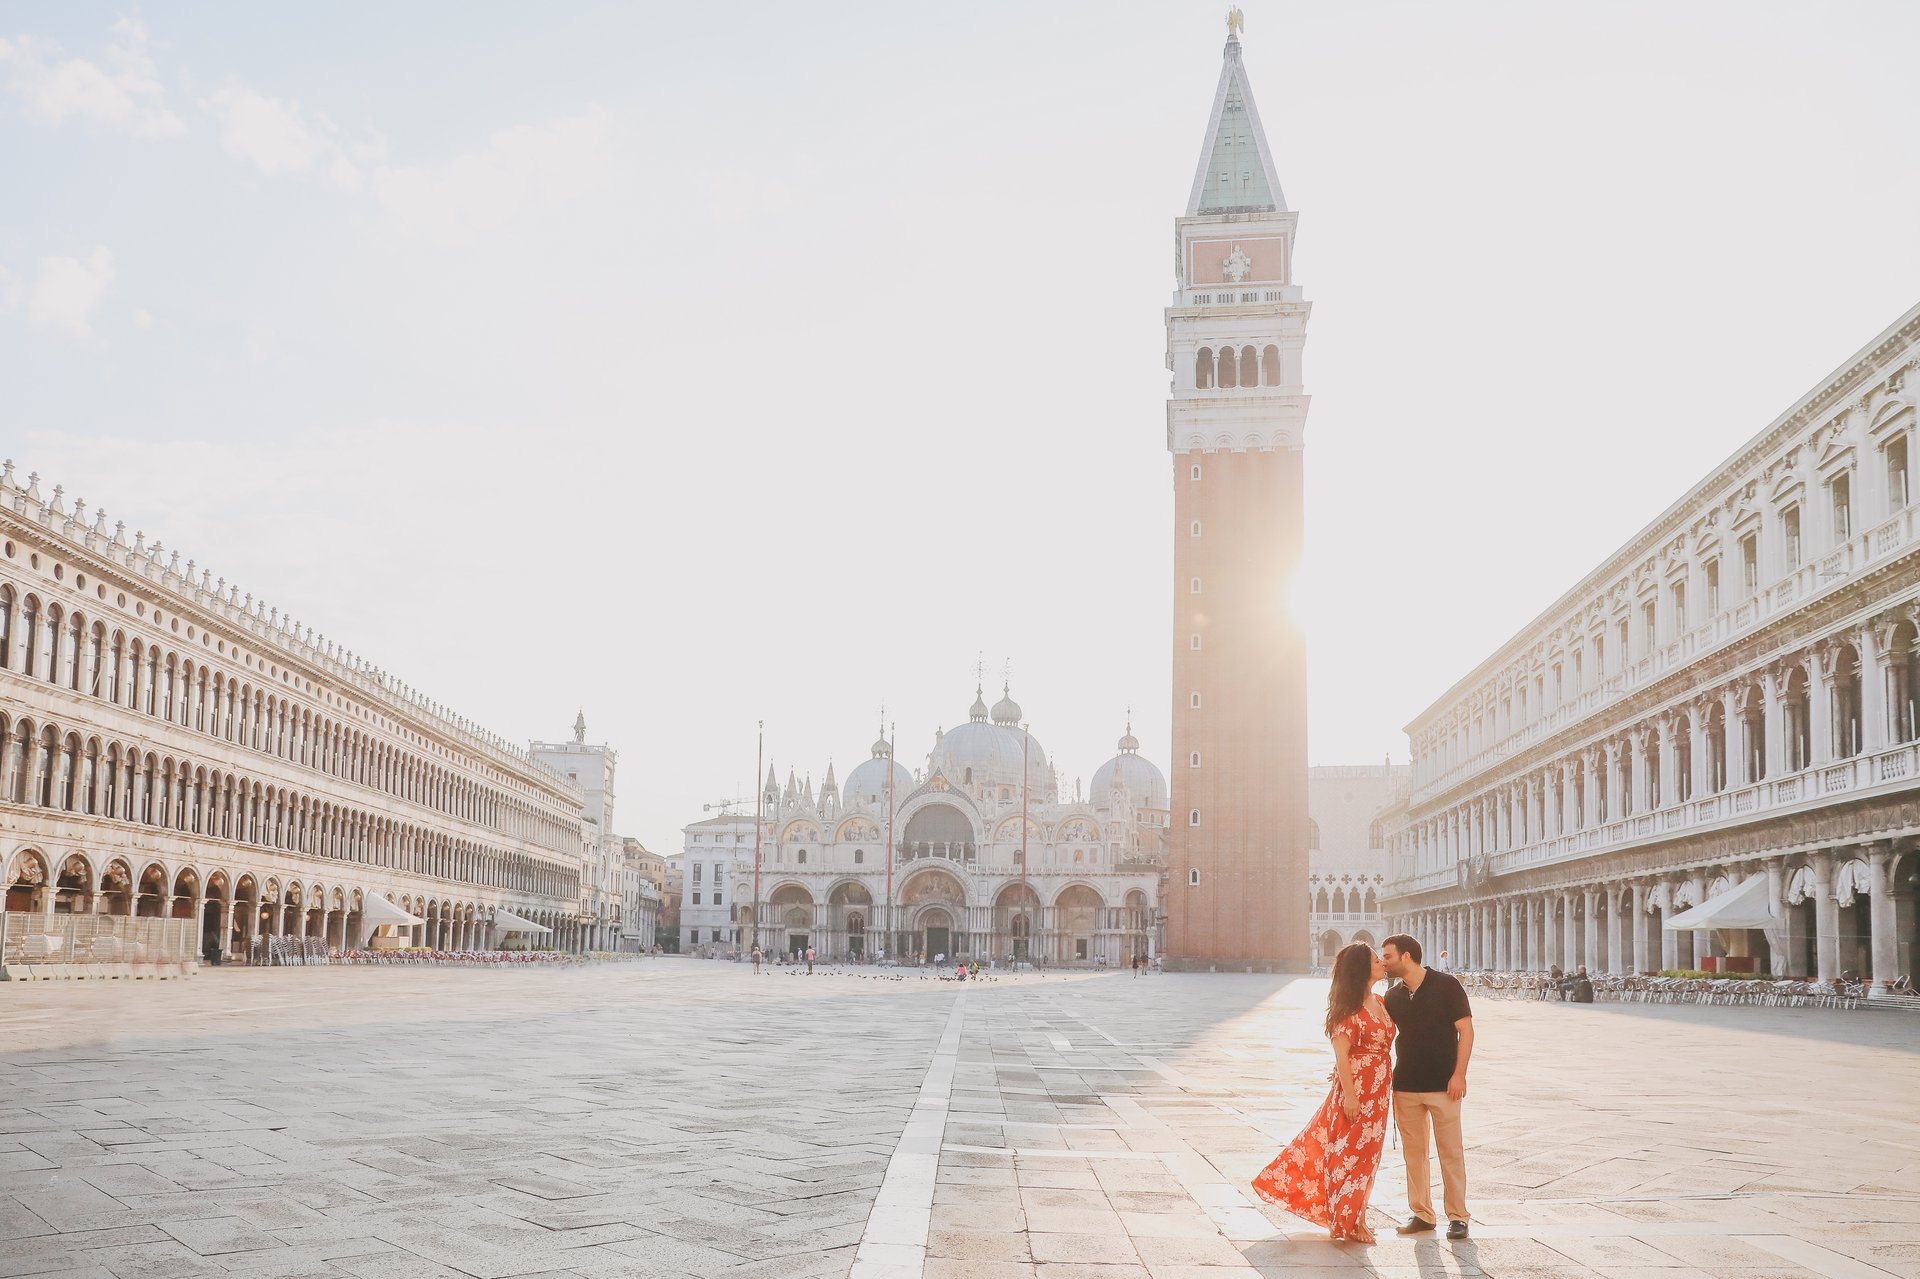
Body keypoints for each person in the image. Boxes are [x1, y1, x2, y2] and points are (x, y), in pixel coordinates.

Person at [1251, 942, 1394, 1243]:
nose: (1381, 962)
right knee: (1348, 1154)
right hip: (1356, 1091)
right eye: (1375, 959)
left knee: (1369, 1156)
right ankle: (1350, 1221)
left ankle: (1358, 1217)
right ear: (1362, 968)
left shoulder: (1380, 1001)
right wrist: (1351, 1096)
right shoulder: (1350, 1010)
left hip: (1380, 1092)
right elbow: (1341, 1055)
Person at [1381, 934, 1473, 1241]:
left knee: (1450, 1152)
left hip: (1444, 1084)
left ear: (1406, 956)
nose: (1385, 962)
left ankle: (1458, 1216)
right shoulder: (1392, 997)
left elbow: (1466, 1031)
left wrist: (1459, 1074)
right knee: (1414, 1153)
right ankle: (1421, 1213)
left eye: (1389, 956)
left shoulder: (1447, 985)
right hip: (1405, 1084)